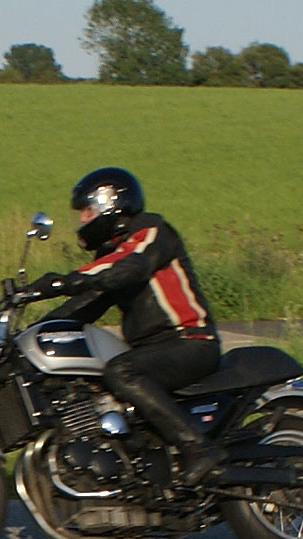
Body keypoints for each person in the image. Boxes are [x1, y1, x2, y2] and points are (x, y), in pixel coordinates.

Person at [28, 167, 226, 486]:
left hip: (190, 342)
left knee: (122, 371)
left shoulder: (153, 232)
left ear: (111, 203)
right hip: (153, 351)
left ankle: (199, 448)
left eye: (88, 210)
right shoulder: (111, 255)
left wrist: (65, 281)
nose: (82, 220)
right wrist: (30, 335)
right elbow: (83, 306)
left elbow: (130, 266)